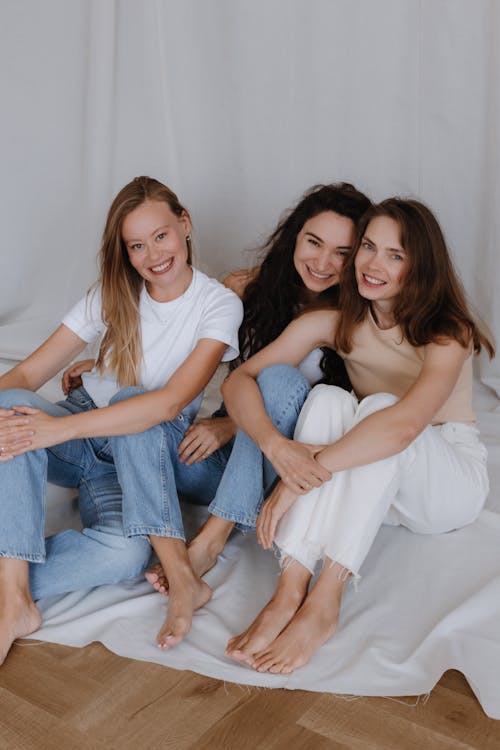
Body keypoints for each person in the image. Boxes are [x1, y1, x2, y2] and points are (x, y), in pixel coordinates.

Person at [63, 183, 372, 609]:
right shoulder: (246, 288)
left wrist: (229, 425)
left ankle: (209, 542)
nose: (323, 262)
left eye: (342, 252)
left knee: (281, 378)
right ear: (295, 237)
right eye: (314, 242)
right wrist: (104, 368)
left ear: (359, 257)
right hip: (212, 457)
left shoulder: (355, 322)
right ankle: (117, 490)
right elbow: (182, 340)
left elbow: (337, 414)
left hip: (275, 460)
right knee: (135, 409)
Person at [220, 198, 494, 673]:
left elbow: (406, 426)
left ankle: (325, 603)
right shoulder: (335, 321)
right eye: (368, 247)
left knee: (384, 411)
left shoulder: (449, 332)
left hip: (446, 483)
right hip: (378, 477)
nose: (373, 263)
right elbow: (237, 380)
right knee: (327, 400)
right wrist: (277, 448)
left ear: (420, 266)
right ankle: (290, 591)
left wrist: (298, 477)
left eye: (395, 254)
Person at [0, 176, 243, 665]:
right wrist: (51, 425)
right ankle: (13, 602)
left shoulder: (218, 304)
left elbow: (169, 403)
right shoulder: (111, 294)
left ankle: (14, 579)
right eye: (136, 245)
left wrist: (55, 430)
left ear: (185, 225)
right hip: (80, 429)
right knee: (13, 406)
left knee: (124, 556)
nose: (153, 255)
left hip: (137, 455)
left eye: (161, 235)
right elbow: (29, 371)